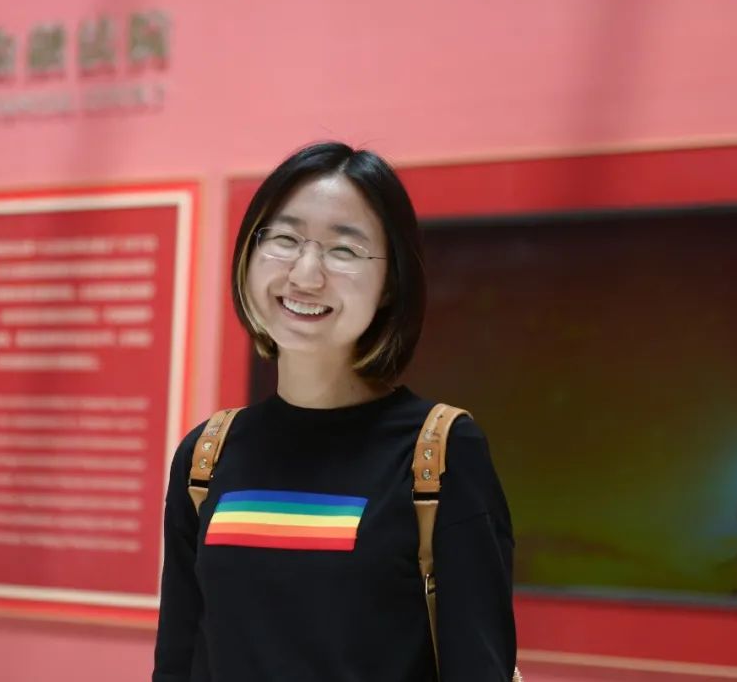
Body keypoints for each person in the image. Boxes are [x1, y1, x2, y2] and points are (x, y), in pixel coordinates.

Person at [153, 142, 516, 681]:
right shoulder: (207, 455)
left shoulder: (441, 453)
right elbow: (178, 665)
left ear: (391, 283)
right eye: (284, 239)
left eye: (344, 250)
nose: (305, 274)